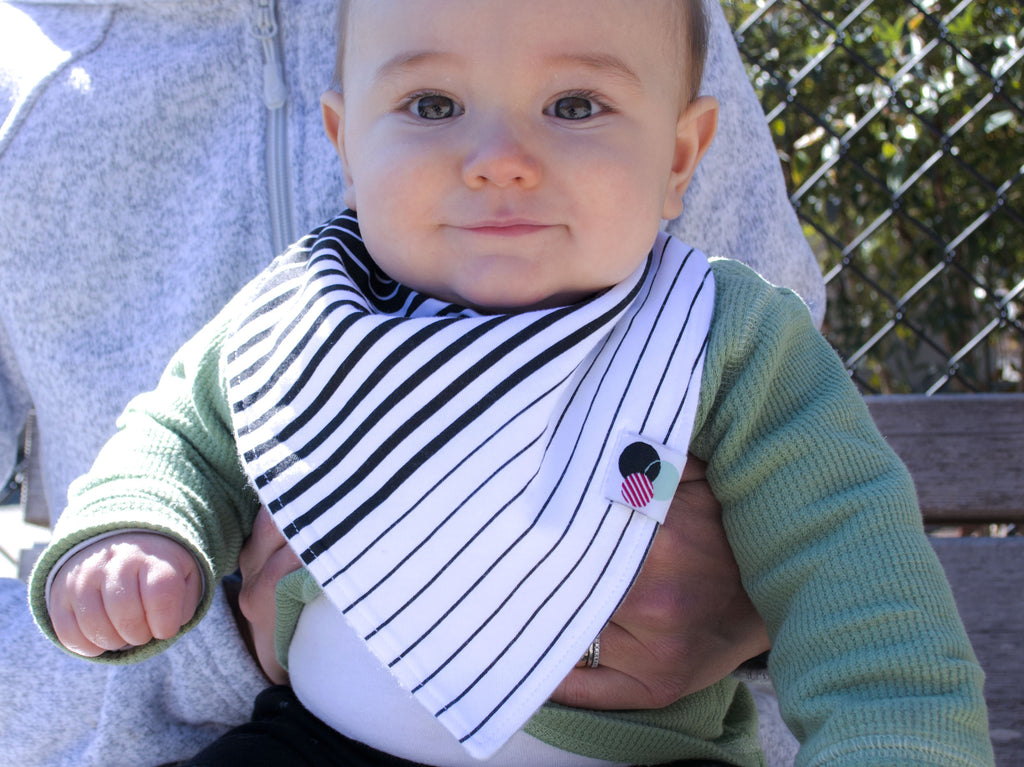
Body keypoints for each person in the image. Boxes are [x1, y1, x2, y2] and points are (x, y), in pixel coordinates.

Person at [28, 1, 992, 765]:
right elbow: (178, 433)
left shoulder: (726, 339)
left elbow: (857, 580)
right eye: (433, 106)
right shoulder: (302, 308)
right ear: (345, 141)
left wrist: (894, 740)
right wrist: (137, 529)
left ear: (680, 157)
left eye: (575, 106)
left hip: (636, 754)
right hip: (318, 740)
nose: (499, 163)